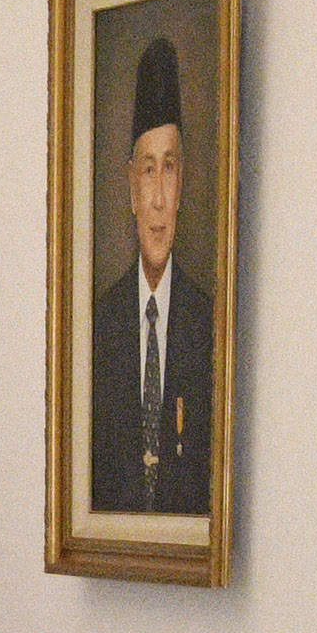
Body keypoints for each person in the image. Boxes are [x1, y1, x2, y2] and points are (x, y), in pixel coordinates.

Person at [88, 33, 214, 517]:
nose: (159, 198)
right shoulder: (99, 324)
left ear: (182, 186)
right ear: (130, 189)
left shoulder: (209, 324)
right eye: (147, 171)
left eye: (169, 169)